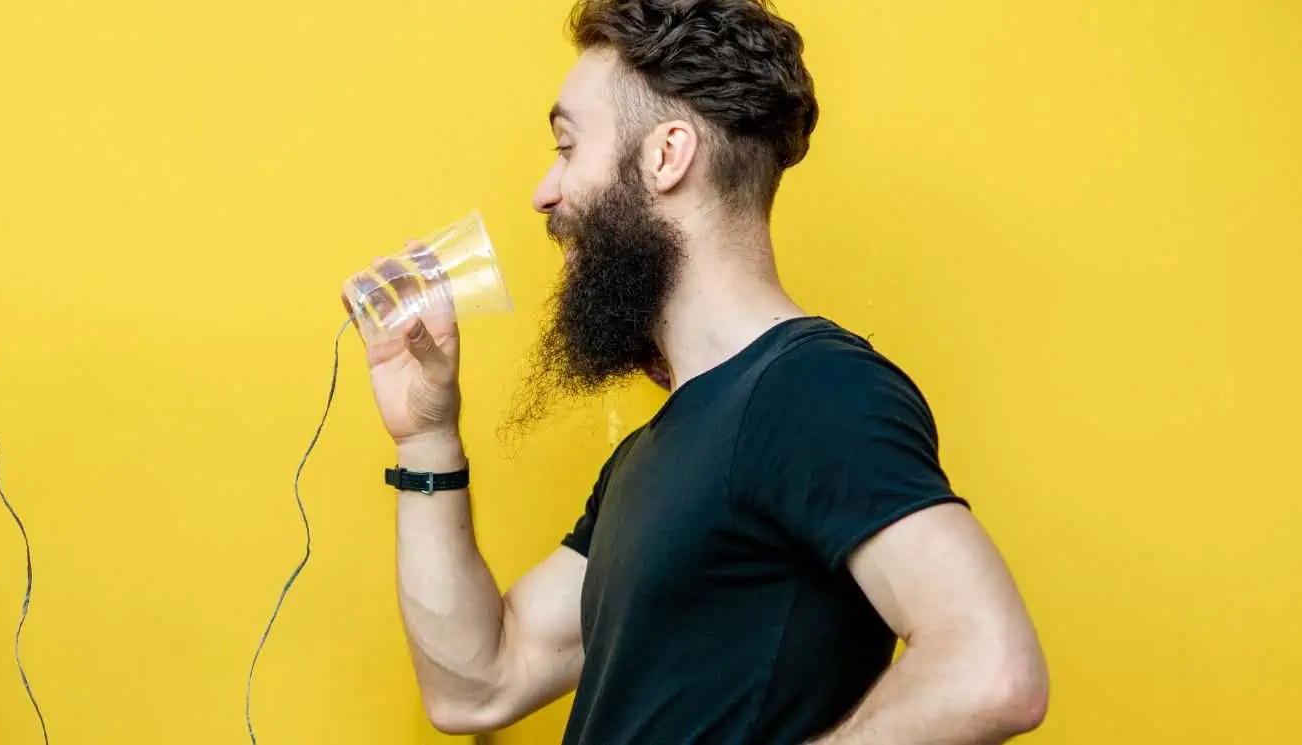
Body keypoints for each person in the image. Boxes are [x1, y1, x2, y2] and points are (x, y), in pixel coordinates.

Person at [351, 1, 1049, 743]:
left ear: (667, 155)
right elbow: (478, 685)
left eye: (567, 146)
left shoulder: (813, 388)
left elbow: (989, 669)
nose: (544, 193)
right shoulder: (652, 453)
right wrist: (426, 441)